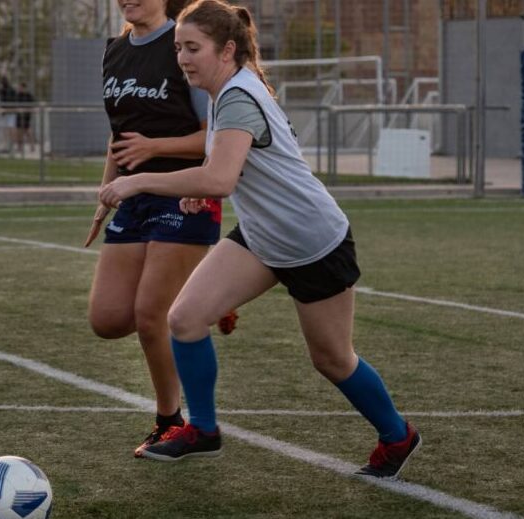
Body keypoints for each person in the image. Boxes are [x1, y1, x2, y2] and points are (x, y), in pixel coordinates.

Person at [99, 0, 420, 478]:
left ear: (227, 50)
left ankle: (398, 436)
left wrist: (137, 181)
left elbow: (220, 180)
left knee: (332, 360)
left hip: (313, 241)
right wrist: (192, 190)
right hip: (262, 238)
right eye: (179, 48)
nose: (183, 58)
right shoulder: (224, 91)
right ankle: (202, 429)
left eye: (193, 48)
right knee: (184, 319)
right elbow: (225, 172)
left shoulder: (236, 98)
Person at [86, 0, 238, 459]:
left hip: (187, 193)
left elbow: (214, 134)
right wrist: (106, 191)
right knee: (108, 319)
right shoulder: (114, 50)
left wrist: (155, 148)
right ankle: (208, 296)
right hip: (135, 196)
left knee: (153, 315)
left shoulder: (183, 45)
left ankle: (170, 419)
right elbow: (120, 136)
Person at [15, 82, 35, 154]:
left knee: (28, 131)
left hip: (26, 116)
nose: (19, 89)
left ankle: (32, 146)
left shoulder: (29, 96)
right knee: (18, 132)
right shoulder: (17, 95)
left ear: (24, 88)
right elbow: (15, 105)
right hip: (19, 116)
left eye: (20, 87)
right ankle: (19, 147)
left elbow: (32, 106)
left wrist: (27, 110)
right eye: (19, 88)